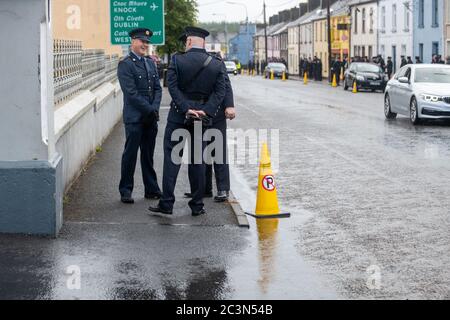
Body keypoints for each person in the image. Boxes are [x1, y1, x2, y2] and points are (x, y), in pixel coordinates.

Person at [149, 27, 226, 217]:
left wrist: (186, 108)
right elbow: (220, 92)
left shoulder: (177, 59)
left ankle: (167, 204)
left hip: (179, 117)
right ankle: (197, 205)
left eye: (186, 41)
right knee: (198, 161)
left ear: (189, 42)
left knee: (172, 160)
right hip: (202, 119)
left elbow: (172, 87)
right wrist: (205, 110)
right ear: (203, 43)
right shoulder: (216, 63)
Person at [117, 28, 162, 204]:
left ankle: (151, 189)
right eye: (142, 41)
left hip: (150, 118)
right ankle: (126, 190)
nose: (145, 45)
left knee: (148, 155)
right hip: (135, 118)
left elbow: (157, 89)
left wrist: (154, 108)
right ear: (133, 41)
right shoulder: (126, 64)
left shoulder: (150, 63)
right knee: (130, 154)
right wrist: (150, 109)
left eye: (147, 42)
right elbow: (131, 93)